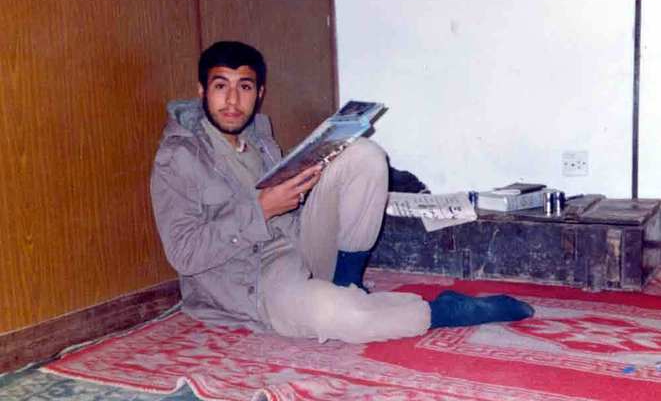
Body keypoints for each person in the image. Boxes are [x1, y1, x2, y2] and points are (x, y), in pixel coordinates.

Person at [150, 41, 534, 344]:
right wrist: (262, 209)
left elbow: (291, 210)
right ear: (202, 91)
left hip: (296, 244)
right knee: (339, 316)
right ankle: (443, 311)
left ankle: (347, 282)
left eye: (244, 87)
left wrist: (310, 181)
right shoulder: (178, 157)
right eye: (221, 86)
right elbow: (184, 253)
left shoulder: (259, 136)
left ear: (259, 93)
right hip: (251, 280)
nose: (233, 101)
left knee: (364, 154)